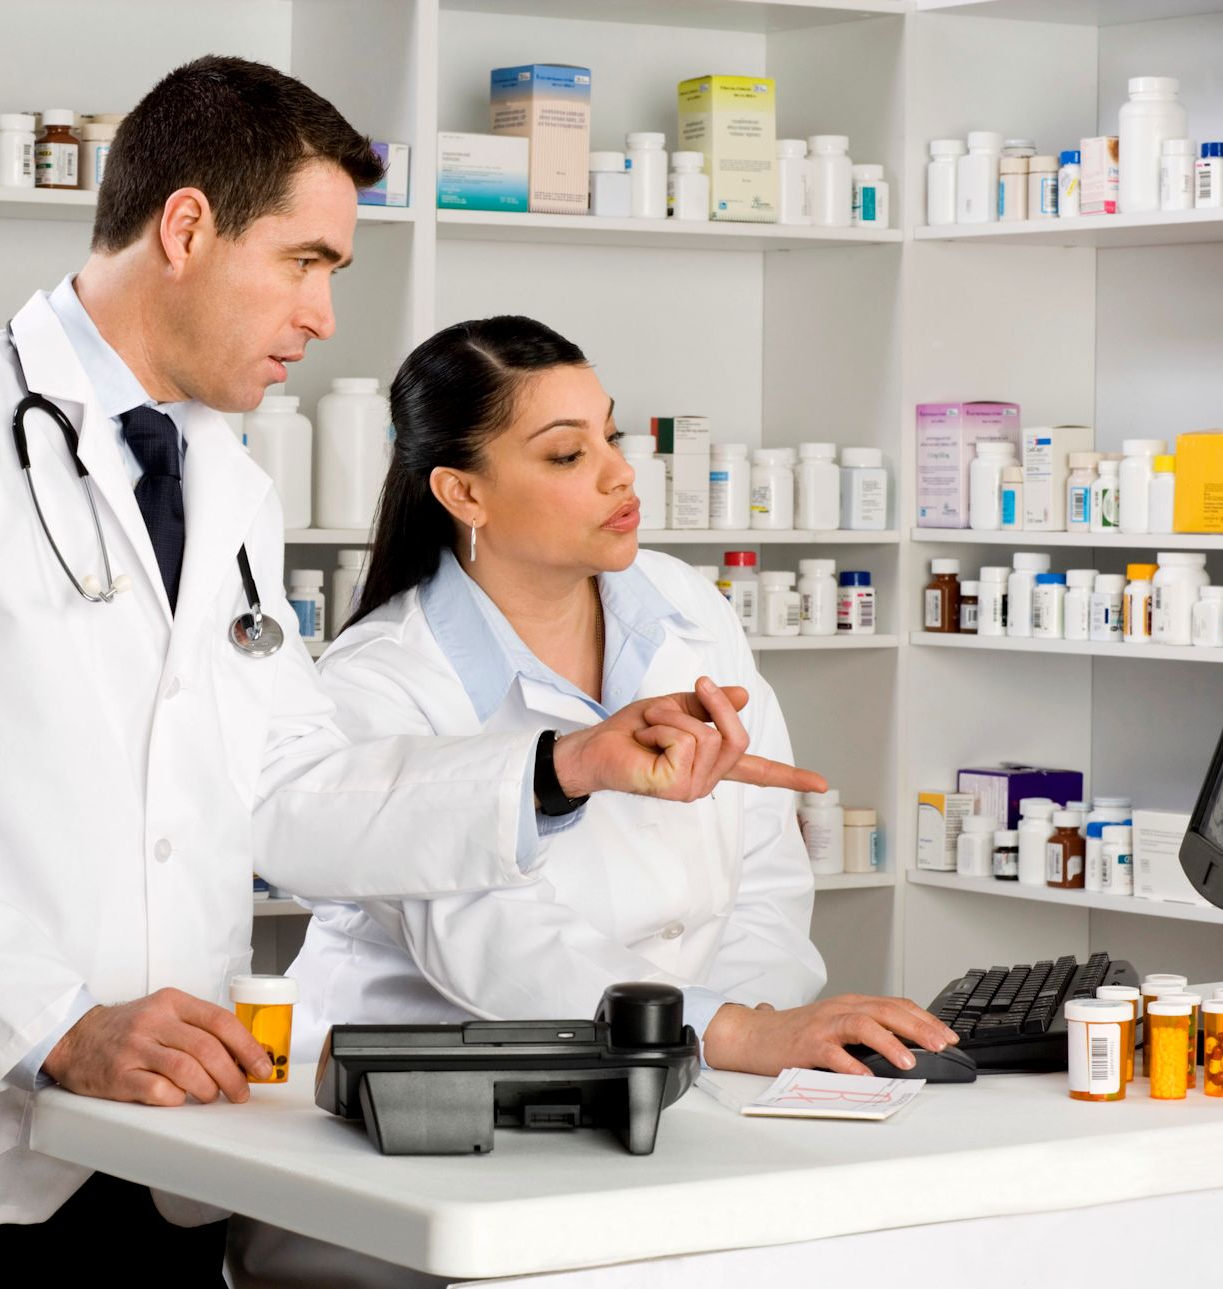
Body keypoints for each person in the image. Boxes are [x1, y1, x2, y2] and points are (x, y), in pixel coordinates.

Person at [0, 62, 823, 1284]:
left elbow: (291, 792)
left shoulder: (227, 485)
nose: (322, 316)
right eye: (305, 261)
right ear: (188, 226)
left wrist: (560, 765)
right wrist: (58, 1026)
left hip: (174, 1151)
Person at [229, 315, 958, 1287]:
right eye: (568, 453)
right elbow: (492, 947)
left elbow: (764, 871)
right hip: (423, 1149)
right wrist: (730, 1032)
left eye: (611, 436)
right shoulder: (383, 682)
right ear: (462, 491)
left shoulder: (681, 608)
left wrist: (747, 1034)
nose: (620, 475)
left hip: (671, 1098)